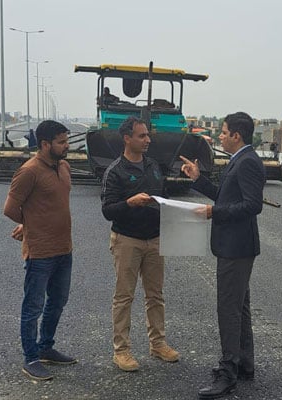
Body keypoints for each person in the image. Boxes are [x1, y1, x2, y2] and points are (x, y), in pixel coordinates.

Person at [180, 112, 265, 400]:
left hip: (236, 247)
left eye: (224, 132)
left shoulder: (248, 162)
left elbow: (253, 206)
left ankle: (227, 373)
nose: (221, 136)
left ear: (237, 135)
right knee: (239, 307)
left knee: (228, 308)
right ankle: (244, 364)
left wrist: (215, 213)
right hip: (235, 246)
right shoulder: (240, 159)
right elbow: (226, 197)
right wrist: (198, 180)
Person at [101, 116, 180, 372]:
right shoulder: (115, 171)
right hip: (127, 241)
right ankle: (121, 351)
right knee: (124, 297)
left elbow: (164, 196)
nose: (148, 140)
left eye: (147, 135)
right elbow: (107, 210)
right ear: (127, 138)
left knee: (155, 296)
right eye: (142, 136)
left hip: (155, 240)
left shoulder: (153, 166)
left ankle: (158, 344)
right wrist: (129, 203)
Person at [2, 120, 77, 381]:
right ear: (45, 144)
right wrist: (28, 223)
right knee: (33, 306)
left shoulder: (64, 166)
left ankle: (46, 347)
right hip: (40, 252)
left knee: (58, 302)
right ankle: (31, 358)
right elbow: (10, 208)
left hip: (64, 249)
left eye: (67, 141)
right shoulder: (29, 171)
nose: (67, 146)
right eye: (61, 142)